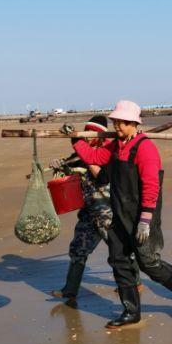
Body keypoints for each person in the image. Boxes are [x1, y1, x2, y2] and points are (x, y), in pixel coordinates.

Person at [71, 99, 172, 329]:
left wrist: (145, 220)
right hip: (120, 213)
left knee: (147, 262)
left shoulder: (145, 148)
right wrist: (76, 141)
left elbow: (151, 186)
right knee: (118, 259)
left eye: (121, 122)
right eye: (115, 122)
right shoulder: (116, 145)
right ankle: (131, 311)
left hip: (142, 214)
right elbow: (95, 158)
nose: (116, 126)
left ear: (134, 123)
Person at [49, 115, 133, 306]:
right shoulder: (78, 155)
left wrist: (86, 160)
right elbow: (67, 172)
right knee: (78, 249)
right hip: (88, 212)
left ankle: (133, 283)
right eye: (85, 133)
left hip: (106, 212)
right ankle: (70, 290)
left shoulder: (109, 153)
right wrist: (59, 165)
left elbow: (102, 177)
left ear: (101, 136)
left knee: (118, 249)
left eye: (91, 134)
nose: (87, 138)